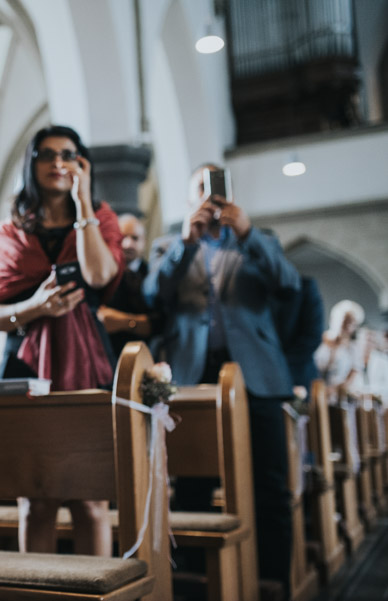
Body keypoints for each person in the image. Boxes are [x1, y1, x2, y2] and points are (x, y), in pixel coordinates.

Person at [144, 163, 300, 596]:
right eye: (200, 188)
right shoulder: (168, 245)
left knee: (269, 485)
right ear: (189, 197)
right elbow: (154, 295)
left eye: (216, 188)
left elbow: (289, 286)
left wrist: (248, 233)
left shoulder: (259, 240)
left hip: (257, 377)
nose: (209, 197)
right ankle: (197, 584)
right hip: (194, 377)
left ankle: (273, 583)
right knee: (193, 486)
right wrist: (185, 245)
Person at [0, 125, 123, 556]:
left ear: (83, 164)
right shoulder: (7, 233)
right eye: (47, 154)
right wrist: (38, 307)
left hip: (88, 365)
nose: (58, 163)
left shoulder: (102, 217)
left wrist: (83, 205)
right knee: (35, 499)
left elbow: (99, 275)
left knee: (92, 500)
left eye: (69, 155)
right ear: (32, 163)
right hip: (26, 369)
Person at [97, 213, 160, 358]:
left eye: (135, 238)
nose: (128, 244)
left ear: (144, 242)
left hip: (145, 356)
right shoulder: (101, 274)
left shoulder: (154, 275)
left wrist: (122, 322)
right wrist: (140, 322)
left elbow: (159, 323)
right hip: (106, 356)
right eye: (122, 237)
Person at [314, 299, 365, 400]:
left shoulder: (353, 349)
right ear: (334, 319)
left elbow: (353, 374)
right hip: (315, 391)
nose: (347, 326)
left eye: (352, 323)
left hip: (338, 396)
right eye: (345, 320)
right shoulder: (319, 340)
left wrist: (333, 390)